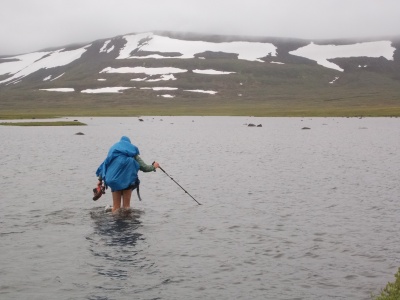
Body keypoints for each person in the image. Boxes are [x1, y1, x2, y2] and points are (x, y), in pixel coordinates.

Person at [95, 136, 159, 213]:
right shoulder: (132, 153)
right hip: (127, 182)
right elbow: (144, 168)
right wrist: (154, 166)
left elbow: (104, 166)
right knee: (126, 207)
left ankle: (115, 221)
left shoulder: (113, 152)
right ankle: (126, 222)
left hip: (113, 181)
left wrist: (100, 180)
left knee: (115, 208)